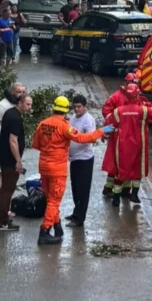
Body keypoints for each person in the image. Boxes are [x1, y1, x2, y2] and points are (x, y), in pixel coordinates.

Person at [31, 96, 112, 245]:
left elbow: (36, 145)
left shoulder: (42, 124)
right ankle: (45, 231)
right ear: (67, 109)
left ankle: (57, 226)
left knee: (50, 199)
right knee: (54, 201)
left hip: (44, 167)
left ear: (53, 107)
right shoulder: (64, 126)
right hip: (57, 169)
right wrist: (100, 132)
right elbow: (81, 138)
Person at [103, 84, 152, 206]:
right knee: (137, 169)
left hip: (122, 145)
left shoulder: (118, 111)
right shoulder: (143, 110)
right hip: (139, 144)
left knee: (120, 170)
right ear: (137, 95)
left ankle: (116, 198)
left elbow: (109, 122)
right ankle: (134, 194)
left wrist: (104, 134)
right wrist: (147, 104)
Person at [0, 83, 27, 219]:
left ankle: (1, 207)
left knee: (5, 179)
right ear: (12, 92)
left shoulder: (18, 106)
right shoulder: (2, 106)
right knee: (2, 177)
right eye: (18, 91)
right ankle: (0, 208)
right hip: (3, 145)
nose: (21, 94)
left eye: (23, 91)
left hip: (10, 145)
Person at [0, 93, 33, 231]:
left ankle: (1, 218)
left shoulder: (9, 113)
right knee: (7, 190)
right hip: (10, 160)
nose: (30, 108)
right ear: (20, 103)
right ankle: (2, 221)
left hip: (3, 157)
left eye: (31, 105)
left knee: (6, 189)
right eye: (28, 104)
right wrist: (18, 161)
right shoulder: (16, 118)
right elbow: (13, 141)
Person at [101, 73, 144, 196]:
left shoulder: (137, 98)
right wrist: (111, 126)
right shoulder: (116, 97)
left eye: (135, 83)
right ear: (126, 83)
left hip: (131, 136)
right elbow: (106, 111)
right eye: (132, 83)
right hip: (118, 136)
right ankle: (109, 188)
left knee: (130, 163)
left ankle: (125, 189)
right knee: (115, 163)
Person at [66, 95, 96, 228]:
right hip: (74, 158)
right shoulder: (73, 118)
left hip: (85, 159)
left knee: (83, 189)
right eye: (75, 107)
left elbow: (92, 138)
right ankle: (75, 212)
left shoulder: (88, 120)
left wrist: (78, 138)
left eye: (79, 107)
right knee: (75, 187)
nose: (76, 109)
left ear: (85, 107)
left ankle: (79, 218)